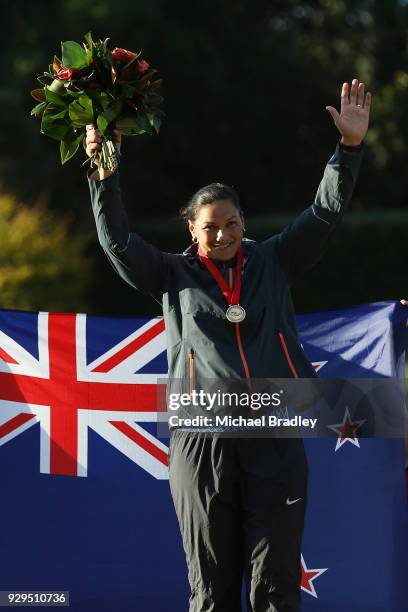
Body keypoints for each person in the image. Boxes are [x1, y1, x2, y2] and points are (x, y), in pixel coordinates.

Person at [85, 78, 371, 612]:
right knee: (211, 587)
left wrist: (348, 148)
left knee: (276, 582)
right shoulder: (170, 275)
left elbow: (325, 213)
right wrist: (104, 175)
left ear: (243, 221)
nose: (223, 235)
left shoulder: (275, 260)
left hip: (274, 426)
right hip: (202, 437)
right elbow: (118, 242)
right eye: (211, 227)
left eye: (232, 223)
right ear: (192, 230)